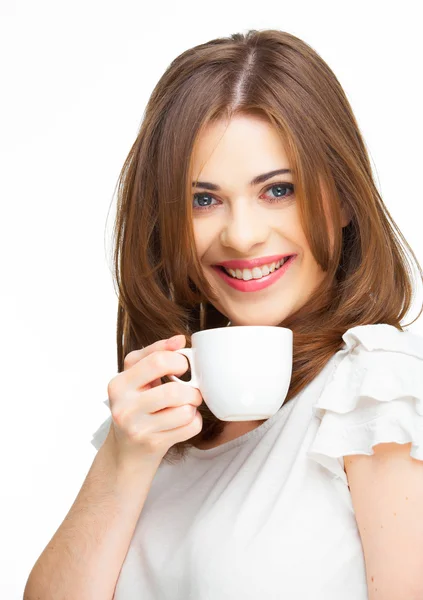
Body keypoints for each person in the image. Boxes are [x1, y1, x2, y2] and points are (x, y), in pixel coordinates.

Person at [24, 29, 423, 600]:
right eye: (203, 200)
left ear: (342, 201)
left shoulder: (377, 388)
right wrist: (122, 457)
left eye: (277, 190)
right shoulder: (153, 422)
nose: (242, 235)